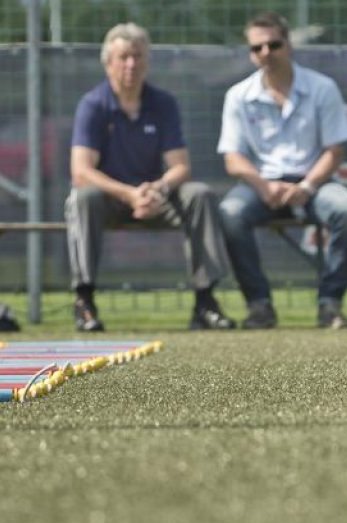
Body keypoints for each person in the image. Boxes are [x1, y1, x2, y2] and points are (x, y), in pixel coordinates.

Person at [66, 22, 236, 332]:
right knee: (83, 197)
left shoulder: (163, 103)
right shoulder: (93, 106)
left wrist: (157, 189)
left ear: (147, 61)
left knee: (199, 194)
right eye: (124, 57)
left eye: (138, 56)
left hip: (157, 197)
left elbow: (180, 166)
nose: (131, 64)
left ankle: (205, 300)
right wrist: (129, 195)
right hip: (111, 200)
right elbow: (81, 171)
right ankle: (84, 300)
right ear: (108, 63)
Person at [215, 13, 347, 330]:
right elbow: (233, 158)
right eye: (257, 48)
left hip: (315, 185)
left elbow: (335, 151)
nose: (266, 53)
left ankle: (330, 304)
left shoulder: (323, 88)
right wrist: (262, 186)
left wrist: (306, 187)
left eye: (274, 44)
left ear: (289, 44)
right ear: (250, 53)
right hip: (261, 186)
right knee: (230, 212)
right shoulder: (237, 96)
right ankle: (260, 306)